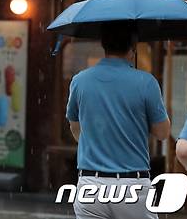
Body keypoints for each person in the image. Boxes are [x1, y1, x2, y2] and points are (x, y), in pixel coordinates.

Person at [66, 21, 170, 219]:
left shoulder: (80, 80)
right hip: (132, 186)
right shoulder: (146, 82)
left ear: (103, 45)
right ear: (133, 48)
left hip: (91, 185)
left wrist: (99, 145)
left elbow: (75, 127)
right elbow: (163, 133)